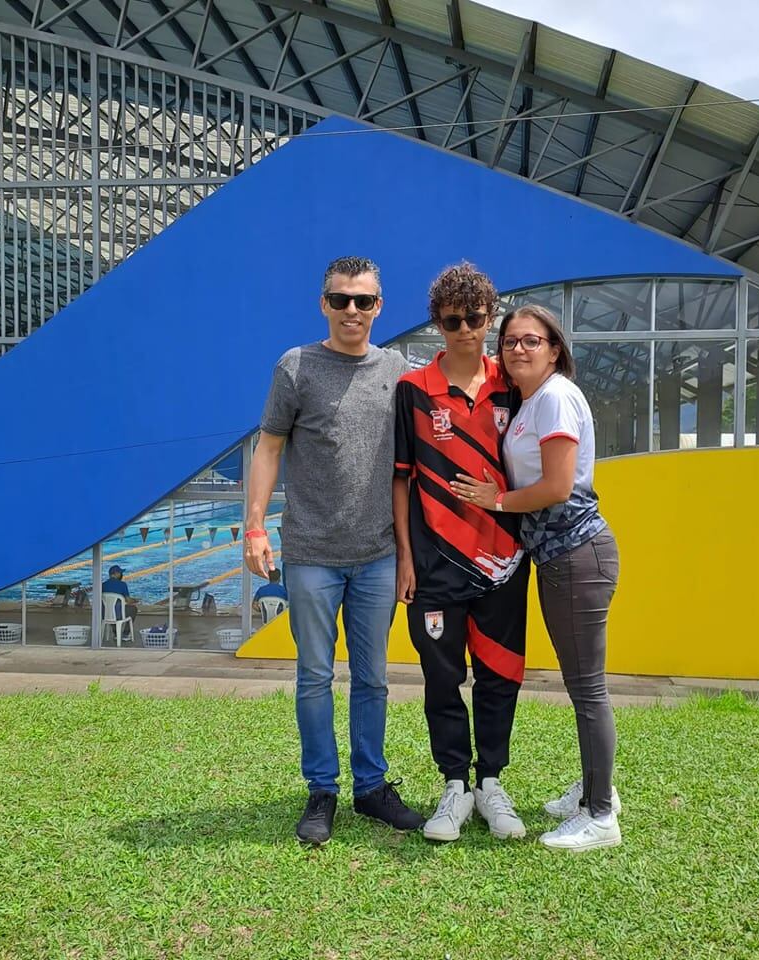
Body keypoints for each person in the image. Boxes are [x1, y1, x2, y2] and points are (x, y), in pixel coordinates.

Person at [244, 255, 423, 846]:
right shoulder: (296, 367)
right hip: (312, 553)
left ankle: (370, 787)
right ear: (324, 303)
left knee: (372, 678)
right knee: (314, 676)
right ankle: (322, 788)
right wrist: (254, 526)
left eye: (363, 300)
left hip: (375, 555)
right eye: (341, 299)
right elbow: (268, 448)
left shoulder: (398, 371)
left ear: (379, 306)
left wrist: (406, 551)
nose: (352, 310)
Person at [451, 303, 622, 852]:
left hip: (576, 555)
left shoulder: (555, 397)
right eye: (510, 342)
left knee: (588, 689)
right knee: (583, 687)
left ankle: (600, 816)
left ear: (554, 349)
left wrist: (494, 501)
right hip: (557, 558)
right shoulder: (530, 402)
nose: (518, 349)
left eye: (531, 340)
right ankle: (598, 790)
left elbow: (556, 486)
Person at [394, 264, 529, 843]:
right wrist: (405, 556)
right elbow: (401, 480)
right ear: (437, 322)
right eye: (452, 321)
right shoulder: (413, 391)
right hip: (435, 567)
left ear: (489, 316)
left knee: (500, 677)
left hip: (504, 564)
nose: (465, 330)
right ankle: (454, 784)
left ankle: (491, 783)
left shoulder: (516, 385)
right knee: (442, 679)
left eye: (475, 318)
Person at [102, 564, 138, 638]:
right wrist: (135, 600)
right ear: (116, 574)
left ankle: (115, 633)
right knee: (133, 609)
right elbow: (128, 601)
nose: (122, 575)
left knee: (112, 609)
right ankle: (125, 634)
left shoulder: (103, 585)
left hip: (105, 613)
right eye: (121, 573)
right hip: (118, 614)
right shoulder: (122, 584)